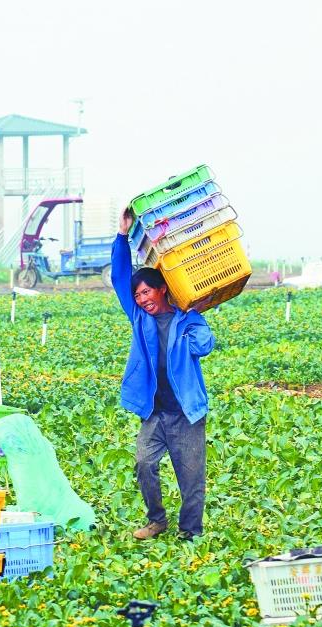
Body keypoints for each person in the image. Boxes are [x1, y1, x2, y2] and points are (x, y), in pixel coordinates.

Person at [112, 208, 215, 542]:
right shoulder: (139, 319)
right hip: (154, 412)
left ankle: (190, 532)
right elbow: (119, 277)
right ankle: (156, 520)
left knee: (191, 479)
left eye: (147, 293)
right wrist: (121, 235)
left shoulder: (188, 318)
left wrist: (194, 316)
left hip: (185, 413)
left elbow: (205, 345)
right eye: (138, 295)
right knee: (143, 463)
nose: (142, 300)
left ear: (163, 291)